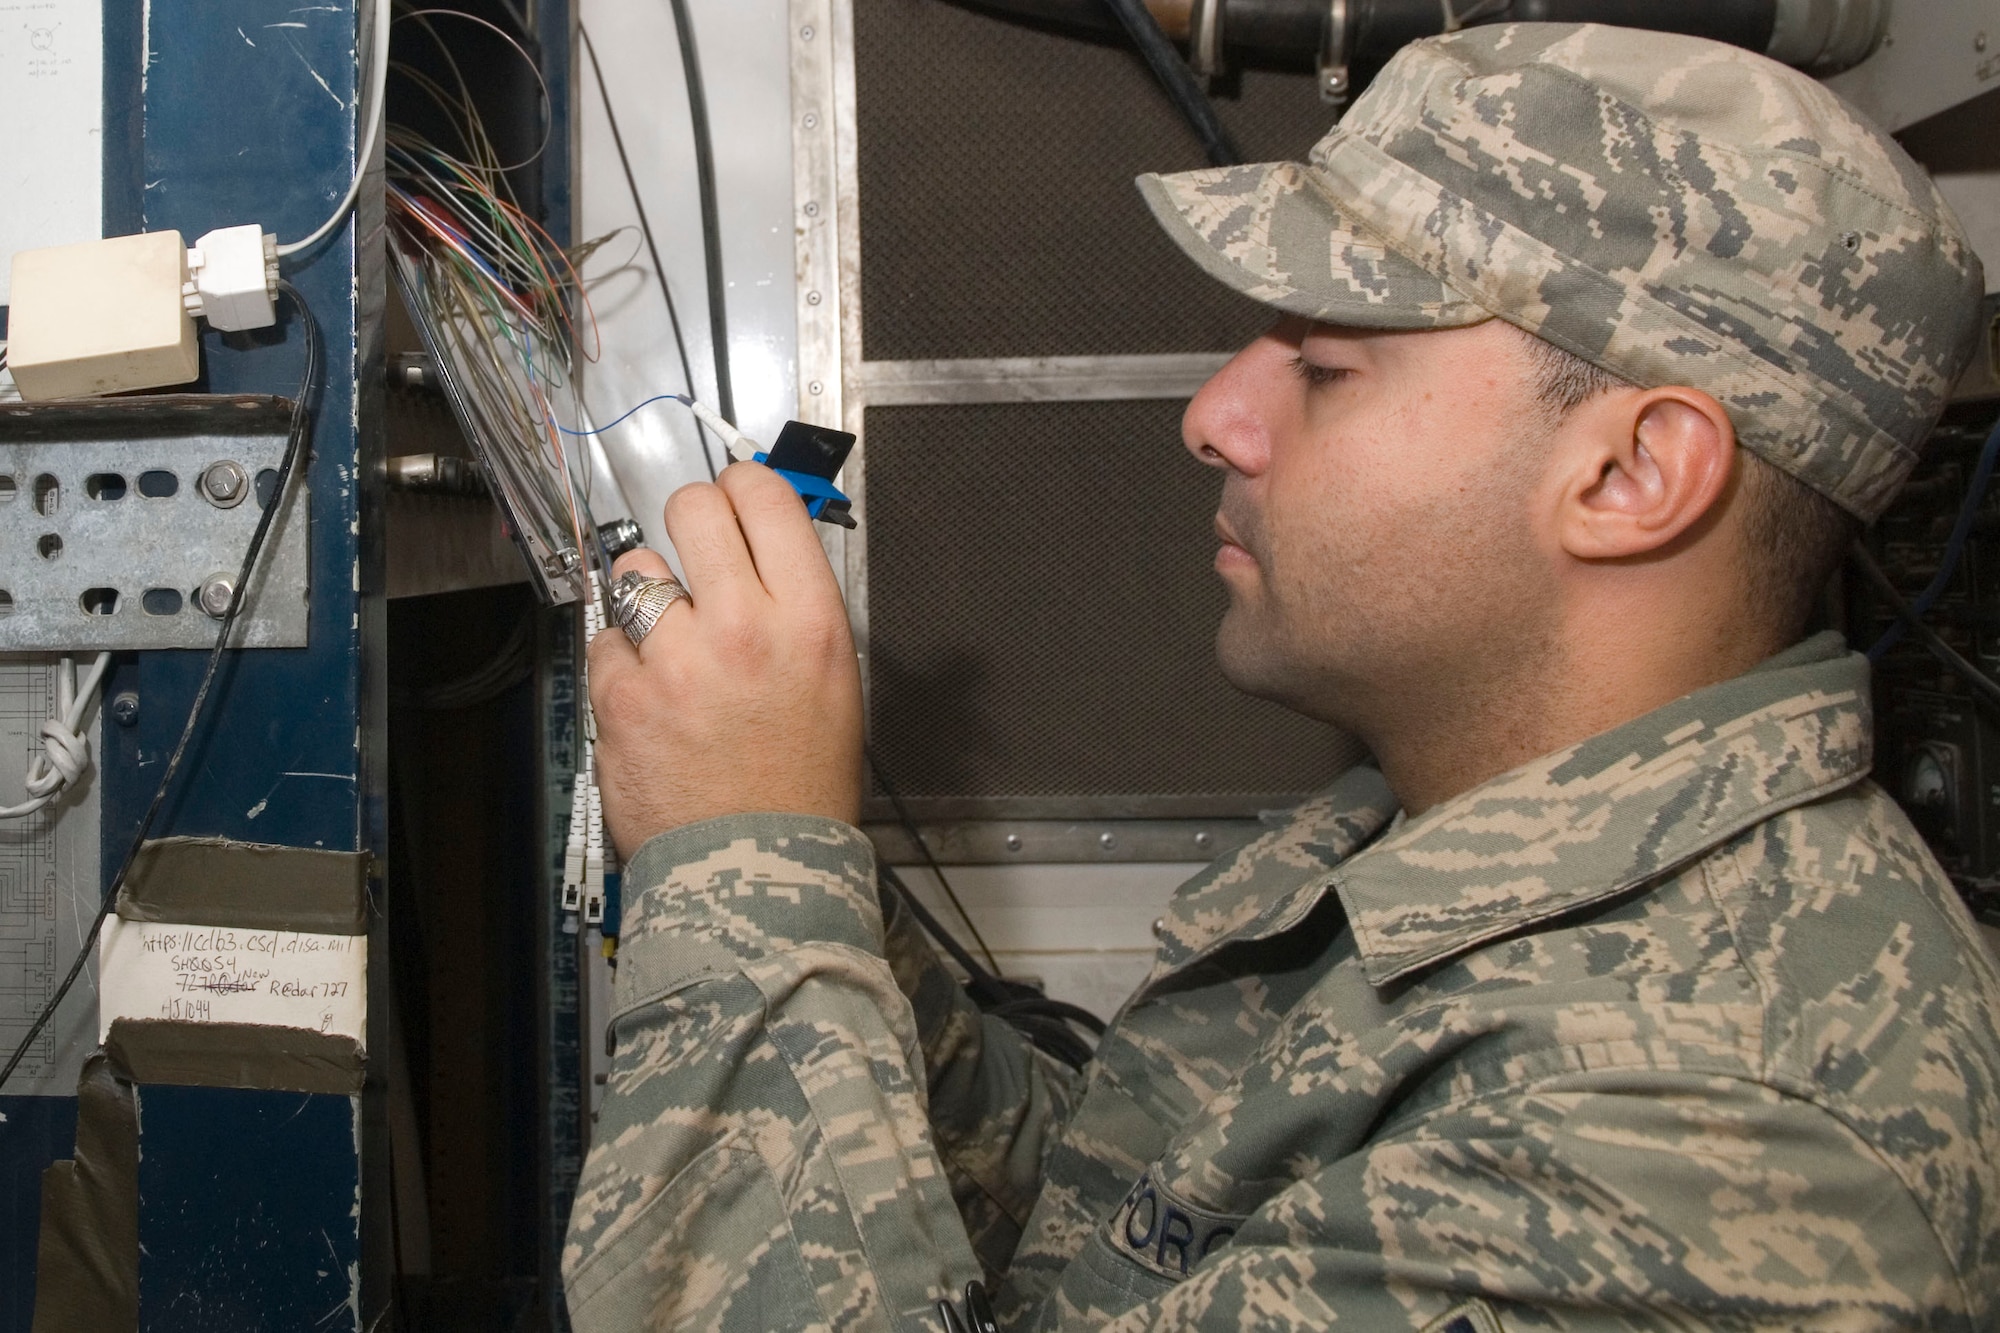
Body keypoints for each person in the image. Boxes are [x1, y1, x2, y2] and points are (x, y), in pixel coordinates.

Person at [565, 22, 2000, 1331]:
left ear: (1630, 474)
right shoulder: (1446, 840)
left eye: (1324, 364)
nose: (1213, 415)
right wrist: (785, 838)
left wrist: (742, 866)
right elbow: (1118, 1214)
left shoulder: (1705, 1158)